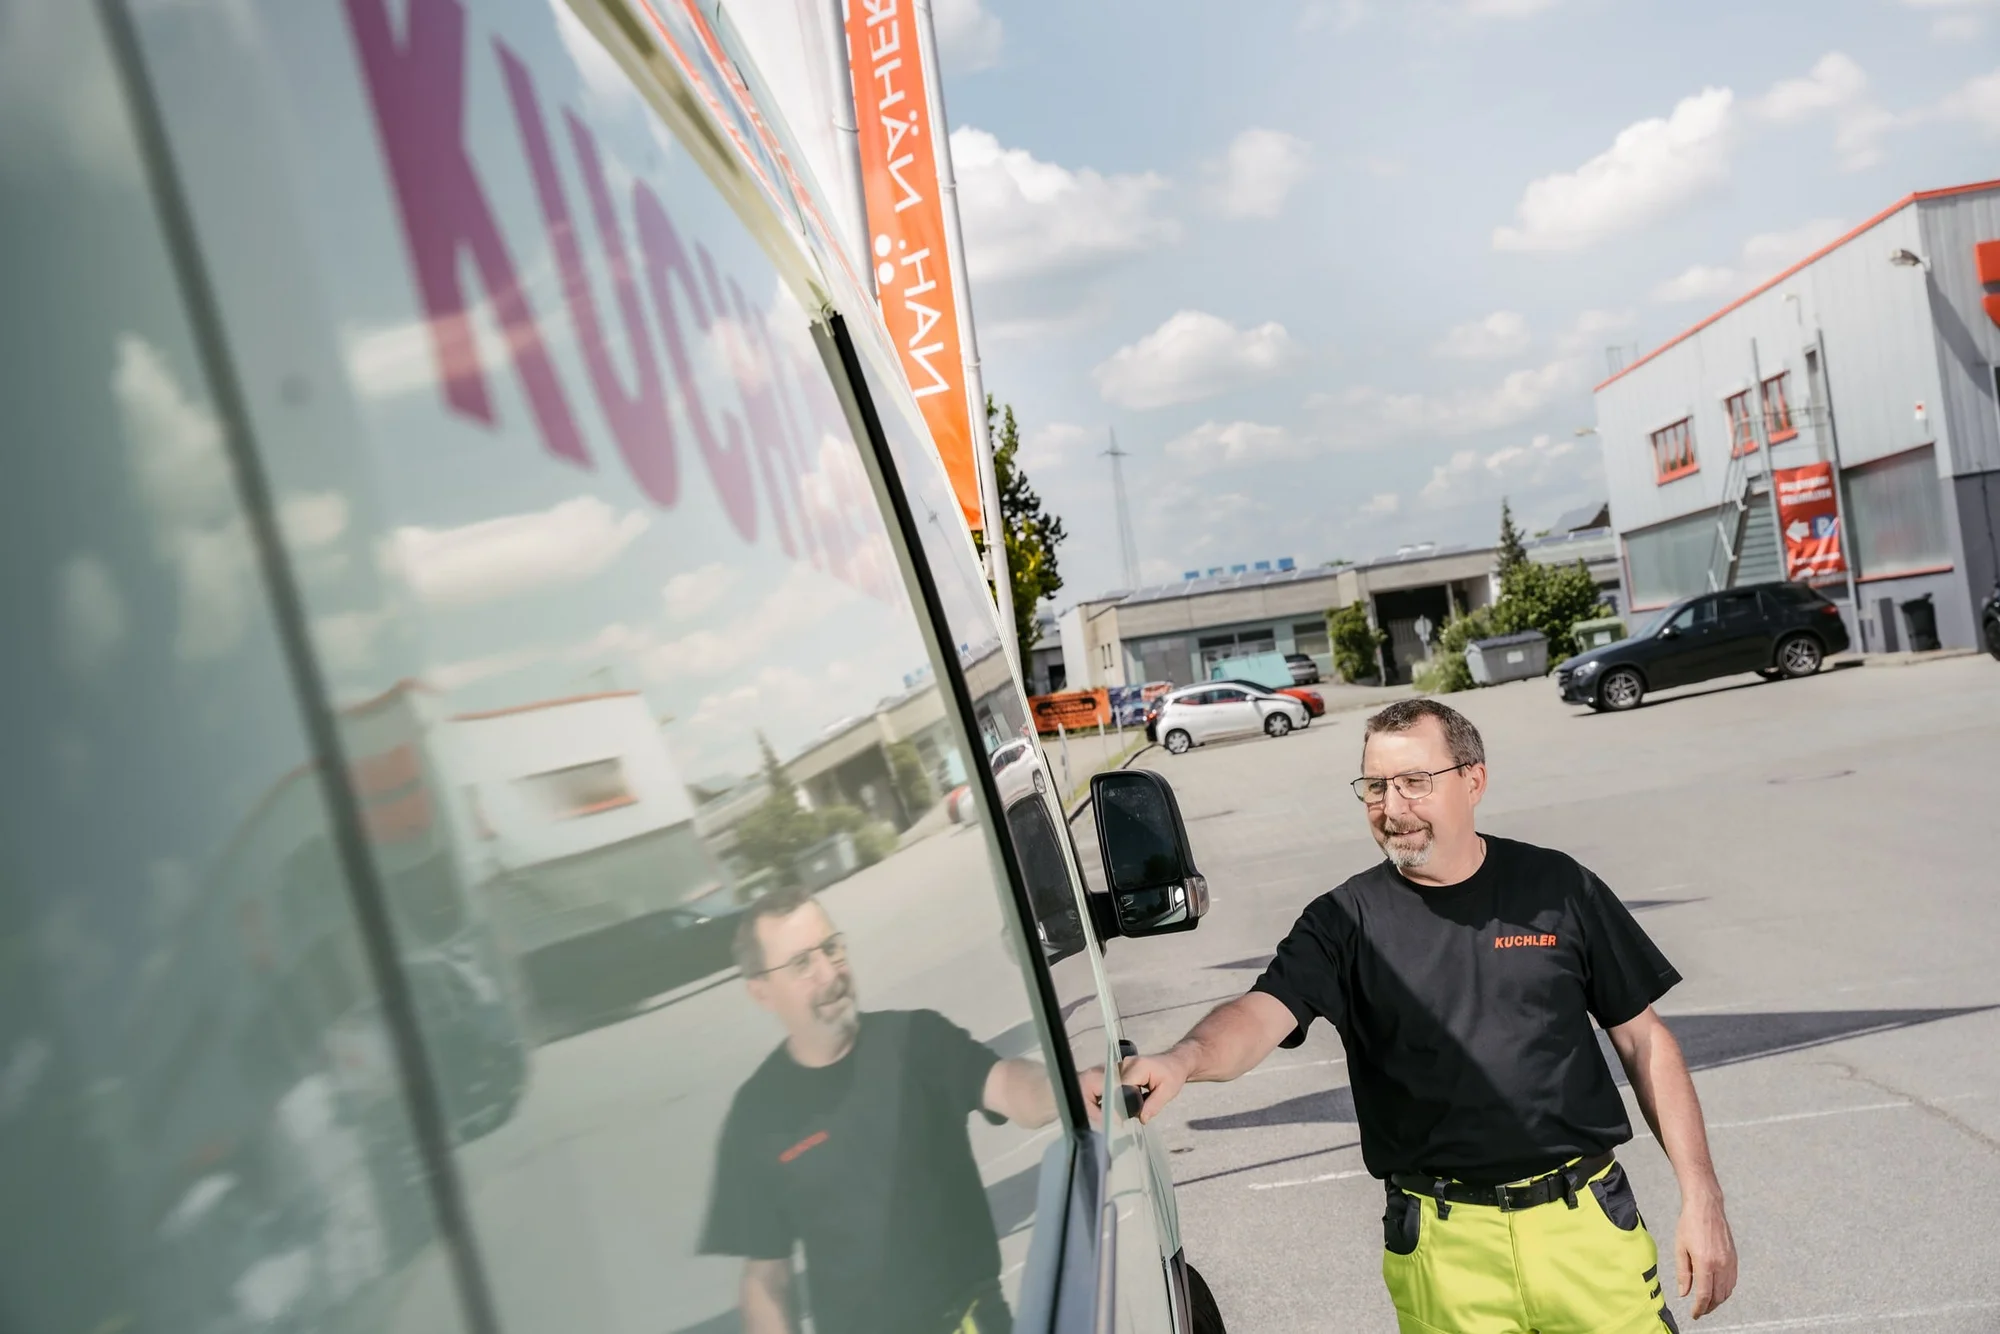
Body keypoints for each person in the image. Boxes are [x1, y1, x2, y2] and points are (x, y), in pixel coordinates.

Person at [1109, 698, 1738, 1333]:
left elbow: (1643, 1040)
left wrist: (1702, 1195)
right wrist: (1184, 1059)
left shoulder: (1559, 886)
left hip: (1586, 1229)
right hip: (1443, 1255)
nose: (1392, 807)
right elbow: (1258, 1013)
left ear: (1473, 780)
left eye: (1414, 781)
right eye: (1375, 786)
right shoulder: (1343, 921)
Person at [701, 886, 1058, 1334]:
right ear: (762, 992)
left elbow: (1009, 1086)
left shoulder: (916, 1041)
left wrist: (1067, 1085)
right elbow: (766, 1278)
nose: (829, 973)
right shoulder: (757, 1114)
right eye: (801, 964)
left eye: (831, 948)